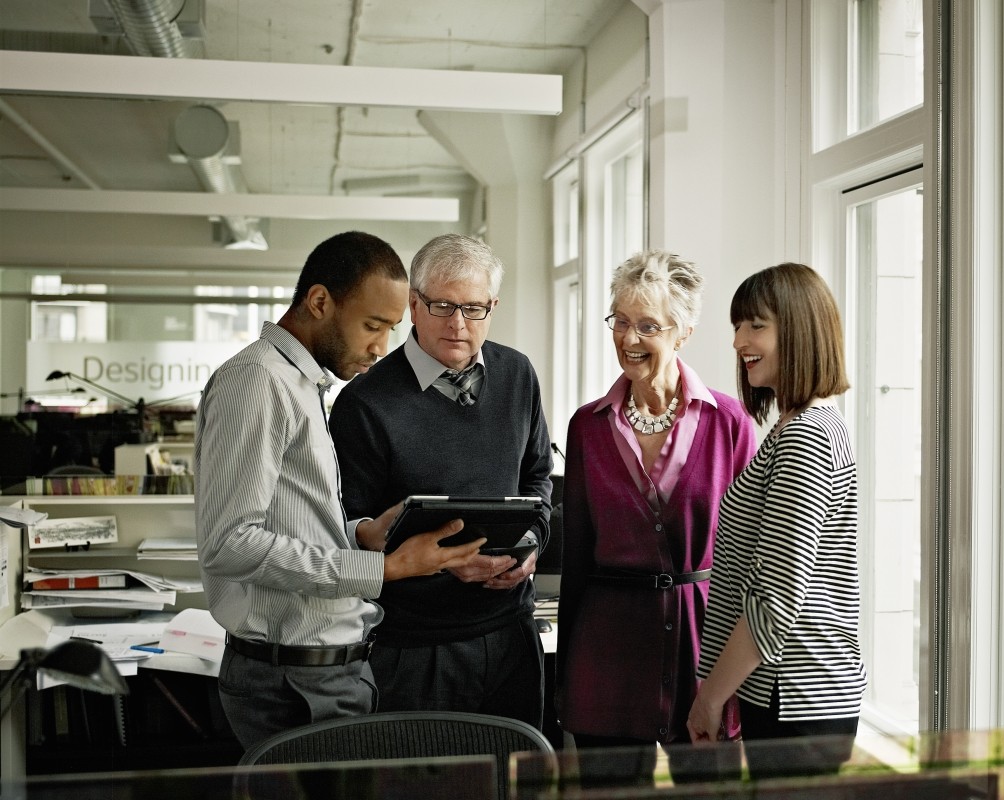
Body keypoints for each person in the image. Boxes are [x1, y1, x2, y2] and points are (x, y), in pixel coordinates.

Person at [195, 230, 486, 750]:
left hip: (324, 674)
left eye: (391, 329)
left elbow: (290, 522)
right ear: (320, 301)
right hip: (294, 682)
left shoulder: (302, 385)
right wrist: (388, 568)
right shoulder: (256, 382)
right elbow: (229, 543)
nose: (380, 348)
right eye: (372, 326)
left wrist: (361, 536)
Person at [328, 233, 553, 729]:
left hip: (512, 632)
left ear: (493, 306)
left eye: (474, 308)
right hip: (415, 649)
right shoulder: (363, 403)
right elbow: (348, 527)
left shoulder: (518, 375)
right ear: (413, 304)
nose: (458, 323)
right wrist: (445, 563)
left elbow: (538, 476)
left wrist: (532, 543)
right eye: (442, 305)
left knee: (518, 782)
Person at [557, 250, 756, 787]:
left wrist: (739, 676)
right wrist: (566, 676)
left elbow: (752, 561)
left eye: (648, 325)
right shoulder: (587, 427)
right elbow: (577, 553)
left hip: (702, 646)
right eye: (620, 321)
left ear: (684, 331)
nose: (628, 338)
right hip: (607, 653)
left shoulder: (728, 423)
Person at [687, 262, 866, 779]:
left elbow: (775, 600)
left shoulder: (805, 435)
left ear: (801, 330)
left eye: (756, 325)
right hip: (795, 696)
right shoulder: (801, 425)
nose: (740, 340)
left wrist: (710, 698)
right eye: (737, 326)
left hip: (800, 701)